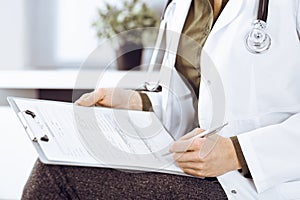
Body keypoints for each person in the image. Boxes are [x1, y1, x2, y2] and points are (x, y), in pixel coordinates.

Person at [22, 0, 300, 199]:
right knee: (58, 163)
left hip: (266, 185)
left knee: (57, 177)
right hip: (196, 173)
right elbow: (195, 103)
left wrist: (238, 152)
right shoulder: (181, 7)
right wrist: (138, 103)